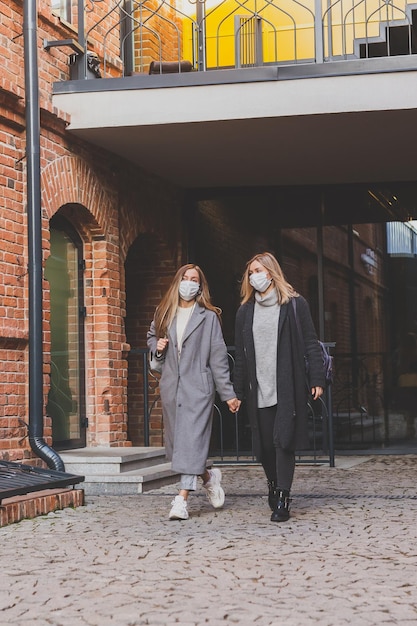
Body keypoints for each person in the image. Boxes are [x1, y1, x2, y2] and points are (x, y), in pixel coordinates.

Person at [233, 252, 325, 522]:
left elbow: (311, 342)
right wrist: (237, 392)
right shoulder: (244, 311)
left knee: (283, 441)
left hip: (288, 385)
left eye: (258, 270)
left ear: (271, 273)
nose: (254, 276)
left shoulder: (294, 304)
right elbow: (240, 354)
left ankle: (283, 496)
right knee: (263, 446)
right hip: (258, 388)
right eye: (250, 272)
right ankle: (273, 483)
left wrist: (317, 378)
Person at [147, 263, 239, 521]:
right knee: (182, 446)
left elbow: (219, 358)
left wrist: (228, 394)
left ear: (200, 286)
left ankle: (181, 500)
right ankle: (209, 477)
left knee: (190, 444)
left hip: (198, 389)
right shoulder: (163, 312)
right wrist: (158, 345)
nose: (189, 283)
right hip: (172, 388)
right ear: (178, 282)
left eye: (194, 279)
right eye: (185, 278)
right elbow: (151, 338)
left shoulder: (208, 317)